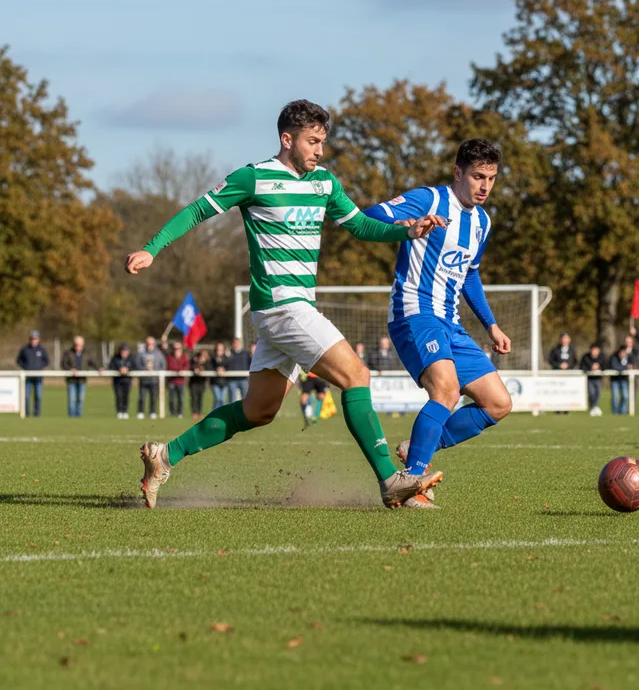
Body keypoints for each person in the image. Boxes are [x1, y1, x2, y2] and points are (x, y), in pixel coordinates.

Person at [126, 99, 444, 509]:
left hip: (293, 309)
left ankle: (164, 455)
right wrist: (152, 248)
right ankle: (390, 479)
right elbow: (197, 211)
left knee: (259, 410)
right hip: (281, 307)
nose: (320, 151)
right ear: (287, 138)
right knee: (357, 375)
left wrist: (407, 231)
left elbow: (361, 226)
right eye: (313, 142)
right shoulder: (254, 178)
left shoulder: (325, 184)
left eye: (322, 142)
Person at [363, 138, 513, 509]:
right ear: (458, 172)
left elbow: (470, 276)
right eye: (478, 176)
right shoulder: (429, 199)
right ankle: (411, 482)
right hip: (414, 312)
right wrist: (409, 223)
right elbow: (369, 215)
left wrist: (491, 325)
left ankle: (417, 447)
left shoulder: (482, 221)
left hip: (451, 322)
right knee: (446, 392)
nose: (484, 186)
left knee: (498, 403)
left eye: (491, 178)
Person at [61, 336, 98, 418]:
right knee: (71, 400)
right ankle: (71, 416)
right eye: (77, 344)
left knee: (80, 400)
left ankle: (78, 417)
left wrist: (99, 368)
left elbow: (93, 362)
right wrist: (70, 370)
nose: (78, 346)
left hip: (82, 380)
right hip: (71, 380)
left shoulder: (86, 353)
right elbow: (64, 364)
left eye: (80, 345)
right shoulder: (68, 352)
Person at [16, 330, 49, 417]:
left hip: (38, 377)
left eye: (35, 338)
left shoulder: (42, 349)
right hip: (27, 377)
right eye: (32, 338)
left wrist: (40, 367)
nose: (34, 340)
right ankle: (26, 413)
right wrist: (25, 367)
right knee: (26, 396)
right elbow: (19, 360)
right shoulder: (25, 349)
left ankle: (37, 413)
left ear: (38, 339)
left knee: (38, 396)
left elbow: (47, 361)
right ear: (30, 339)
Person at [134, 336, 166, 419]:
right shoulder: (141, 353)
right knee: (142, 397)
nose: (150, 345)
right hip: (144, 380)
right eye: (148, 343)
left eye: (151, 343)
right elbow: (137, 364)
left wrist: (155, 370)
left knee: (153, 398)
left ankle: (153, 412)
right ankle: (140, 412)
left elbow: (163, 365)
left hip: (154, 380)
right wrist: (144, 369)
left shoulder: (158, 353)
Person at [109, 343, 135, 419]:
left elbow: (134, 366)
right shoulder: (115, 358)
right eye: (123, 351)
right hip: (117, 381)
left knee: (126, 396)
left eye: (125, 351)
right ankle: (119, 411)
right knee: (118, 396)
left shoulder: (131, 358)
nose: (124, 352)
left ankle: (125, 411)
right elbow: (111, 366)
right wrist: (119, 369)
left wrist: (128, 369)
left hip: (127, 381)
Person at [580, 344, 606, 416]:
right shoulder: (585, 357)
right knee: (591, 393)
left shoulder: (602, 357)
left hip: (598, 378)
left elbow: (605, 366)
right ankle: (593, 407)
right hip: (589, 379)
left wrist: (599, 367)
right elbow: (582, 367)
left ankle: (594, 407)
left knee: (597, 393)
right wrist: (590, 368)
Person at [166, 341, 190, 417]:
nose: (176, 350)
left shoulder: (184, 356)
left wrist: (180, 370)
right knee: (171, 399)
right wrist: (178, 370)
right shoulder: (170, 357)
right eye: (175, 348)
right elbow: (169, 367)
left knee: (181, 398)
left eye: (178, 348)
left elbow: (186, 366)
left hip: (181, 381)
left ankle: (180, 413)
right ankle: (172, 413)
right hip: (172, 381)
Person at [609, 345, 633, 415]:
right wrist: (625, 367)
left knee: (625, 396)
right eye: (622, 352)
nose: (623, 354)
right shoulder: (613, 357)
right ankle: (615, 413)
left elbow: (633, 365)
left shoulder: (629, 357)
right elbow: (615, 367)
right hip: (615, 380)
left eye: (624, 352)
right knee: (615, 397)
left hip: (624, 380)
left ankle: (622, 412)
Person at [208, 342, 230, 409]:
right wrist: (216, 369)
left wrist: (223, 369)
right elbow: (209, 367)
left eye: (221, 349)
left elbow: (230, 367)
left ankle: (222, 415)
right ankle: (214, 414)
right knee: (217, 398)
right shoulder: (212, 359)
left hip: (225, 382)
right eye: (218, 349)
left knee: (223, 400)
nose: (219, 351)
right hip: (215, 382)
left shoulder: (227, 359)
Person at [189, 349, 209, 419]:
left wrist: (202, 365)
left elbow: (208, 368)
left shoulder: (207, 363)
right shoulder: (193, 361)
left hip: (201, 383)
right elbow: (191, 367)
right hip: (194, 383)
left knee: (200, 398)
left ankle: (199, 412)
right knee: (194, 398)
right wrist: (196, 367)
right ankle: (195, 412)